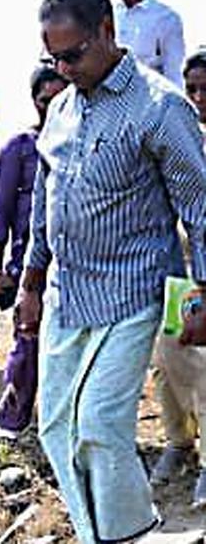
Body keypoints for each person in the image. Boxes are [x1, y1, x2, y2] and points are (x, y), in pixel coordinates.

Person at [17, 0, 206, 543]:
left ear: (106, 30)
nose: (63, 69)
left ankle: (128, 536)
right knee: (57, 429)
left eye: (73, 55)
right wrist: (31, 280)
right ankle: (103, 535)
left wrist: (203, 294)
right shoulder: (61, 109)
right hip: (66, 293)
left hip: (133, 291)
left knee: (99, 424)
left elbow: (200, 208)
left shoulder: (160, 107)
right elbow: (45, 201)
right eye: (53, 59)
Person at [0, 65, 66, 441]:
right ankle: (13, 421)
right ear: (34, 101)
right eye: (44, 100)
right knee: (27, 341)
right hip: (28, 262)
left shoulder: (82, 140)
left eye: (59, 98)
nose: (51, 107)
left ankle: (62, 426)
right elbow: (1, 211)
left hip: (73, 262)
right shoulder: (19, 147)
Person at [150, 50, 206, 505]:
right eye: (192, 89)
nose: (200, 97)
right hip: (179, 270)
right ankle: (178, 442)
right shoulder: (177, 131)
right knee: (169, 360)